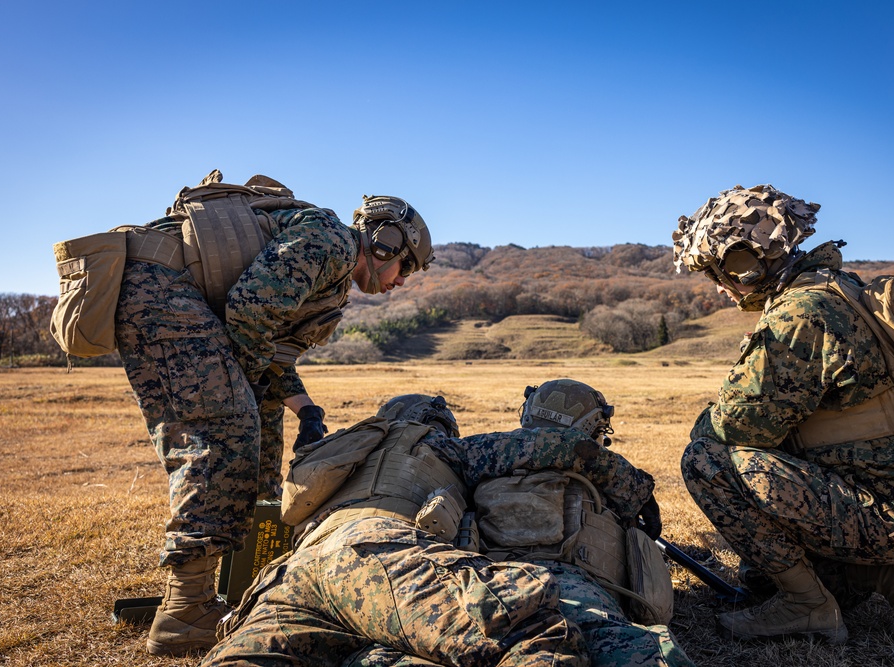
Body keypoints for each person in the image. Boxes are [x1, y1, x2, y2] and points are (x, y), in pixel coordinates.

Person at [113, 169, 434, 656]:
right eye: (404, 266)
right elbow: (248, 313)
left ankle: (241, 581)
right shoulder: (332, 242)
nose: (401, 281)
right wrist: (246, 398)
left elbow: (269, 351)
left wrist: (306, 410)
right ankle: (185, 610)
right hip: (160, 289)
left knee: (260, 420)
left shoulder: (331, 277)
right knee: (226, 432)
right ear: (384, 243)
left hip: (167, 294)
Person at [672, 184, 894, 645]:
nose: (719, 285)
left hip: (885, 512)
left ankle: (807, 604)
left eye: (718, 271)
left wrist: (706, 421)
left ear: (744, 263)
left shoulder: (801, 312)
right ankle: (891, 572)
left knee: (706, 460)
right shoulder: (843, 288)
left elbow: (736, 425)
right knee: (758, 579)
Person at [201, 393, 661, 667]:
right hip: (379, 553)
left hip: (289, 578)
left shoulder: (341, 449)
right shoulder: (440, 447)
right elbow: (562, 447)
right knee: (531, 631)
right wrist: (636, 491)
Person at [347, 380, 695, 667]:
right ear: (592, 426)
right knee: (629, 649)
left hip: (487, 581)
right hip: (570, 582)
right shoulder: (604, 470)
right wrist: (636, 489)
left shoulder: (478, 456)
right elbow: (572, 451)